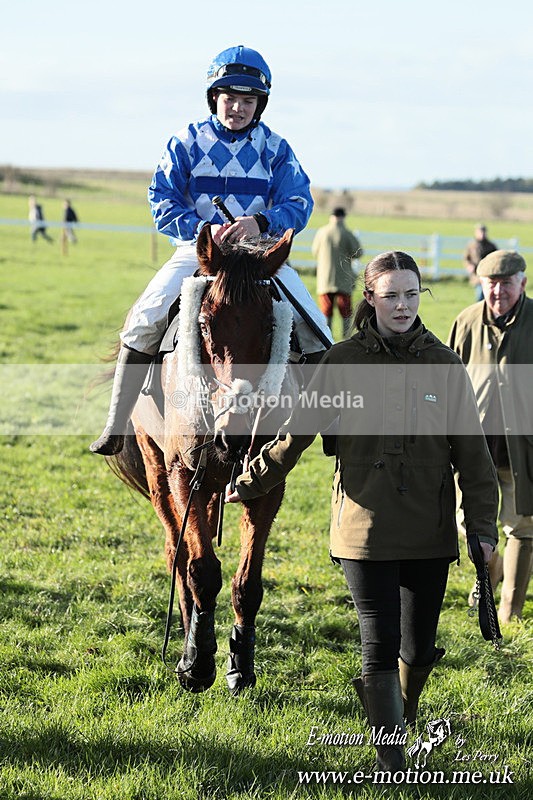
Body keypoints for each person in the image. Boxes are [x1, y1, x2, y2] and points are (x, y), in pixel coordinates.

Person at [226, 251, 498, 769]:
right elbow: (294, 436)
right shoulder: (341, 362)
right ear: (369, 297)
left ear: (422, 296)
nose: (402, 305)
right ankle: (392, 759)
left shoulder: (444, 365)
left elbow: (475, 458)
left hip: (429, 529)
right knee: (379, 644)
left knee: (417, 651)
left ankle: (402, 715)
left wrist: (482, 528)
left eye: (412, 294)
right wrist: (251, 480)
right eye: (391, 294)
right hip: (362, 528)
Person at [90, 44, 333, 456]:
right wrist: (204, 230)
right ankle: (116, 426)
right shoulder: (186, 141)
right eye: (229, 98)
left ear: (260, 104)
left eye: (247, 100)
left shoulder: (276, 148)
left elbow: (300, 202)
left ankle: (331, 429)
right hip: (199, 252)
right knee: (144, 319)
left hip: (259, 258)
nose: (237, 108)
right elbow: (161, 196)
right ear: (213, 98)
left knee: (318, 331)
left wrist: (261, 223)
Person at [448, 250, 533, 623]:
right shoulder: (466, 322)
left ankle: (510, 612)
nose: (498, 292)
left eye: (506, 284)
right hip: (474, 449)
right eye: (491, 284)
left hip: (523, 451)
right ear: (480, 284)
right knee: (467, 523)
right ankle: (490, 572)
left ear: (523, 283)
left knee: (522, 526)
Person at [312, 207, 363, 337]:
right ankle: (346, 338)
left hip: (325, 279)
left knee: (326, 312)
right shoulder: (346, 233)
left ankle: (326, 337)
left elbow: (314, 251)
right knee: (345, 312)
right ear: (343, 217)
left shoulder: (321, 232)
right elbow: (359, 253)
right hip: (344, 279)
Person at [463, 224, 497, 302]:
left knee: (485, 295)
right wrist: (469, 265)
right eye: (480, 232)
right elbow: (466, 258)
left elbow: (496, 258)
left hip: (488, 275)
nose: (482, 234)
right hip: (476, 275)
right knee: (480, 296)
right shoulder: (471, 245)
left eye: (483, 232)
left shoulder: (491, 246)